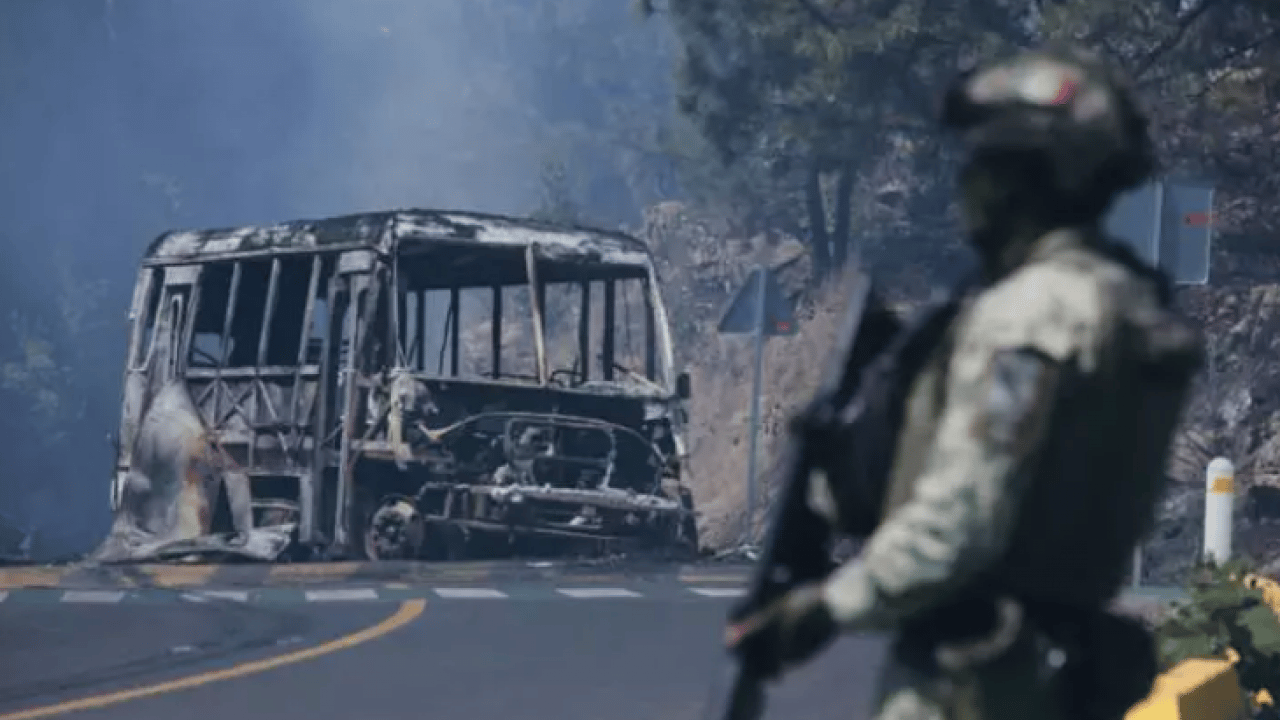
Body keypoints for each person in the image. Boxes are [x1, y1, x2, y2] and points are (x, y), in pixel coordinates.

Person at [725, 44, 1205, 720]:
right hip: (1067, 678)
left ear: (1028, 180)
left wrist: (824, 608)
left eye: (986, 165)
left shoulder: (1032, 315)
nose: (968, 187)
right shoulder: (1130, 306)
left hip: (976, 684)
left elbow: (963, 520)